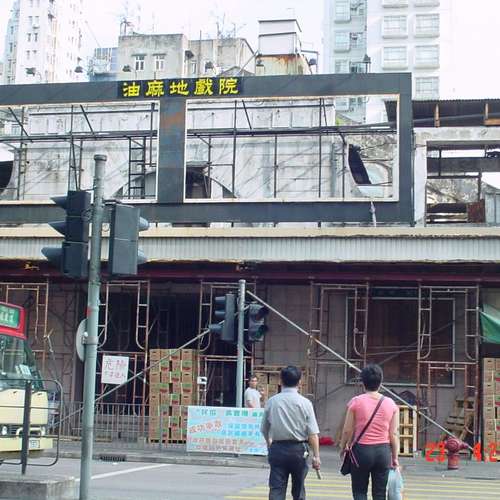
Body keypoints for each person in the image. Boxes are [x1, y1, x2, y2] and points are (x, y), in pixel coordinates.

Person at [339, 364, 399, 500]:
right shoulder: (391, 403)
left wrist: (342, 447)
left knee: (359, 492)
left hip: (361, 452)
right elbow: (394, 434)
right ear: (381, 382)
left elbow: (347, 430)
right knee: (379, 494)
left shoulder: (356, 402)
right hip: (383, 452)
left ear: (363, 382)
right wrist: (395, 457)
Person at [261, 365, 321, 500]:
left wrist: (269, 443)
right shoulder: (305, 403)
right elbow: (312, 433)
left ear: (280, 381)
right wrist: (316, 456)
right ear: (299, 382)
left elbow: (264, 428)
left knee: (276, 489)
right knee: (299, 489)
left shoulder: (272, 402)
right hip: (299, 451)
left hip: (278, 449)